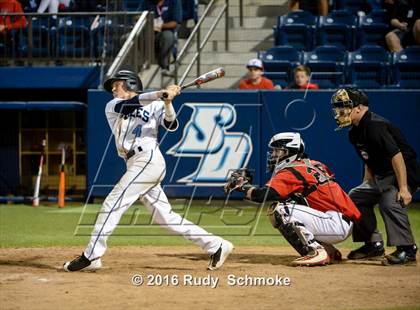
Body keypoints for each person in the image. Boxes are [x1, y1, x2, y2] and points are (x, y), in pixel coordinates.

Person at [63, 70, 233, 272]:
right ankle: (217, 245)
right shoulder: (113, 105)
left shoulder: (156, 104)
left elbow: (171, 125)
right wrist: (161, 93)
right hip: (135, 162)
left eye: (117, 84)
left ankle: (91, 256)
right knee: (165, 217)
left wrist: (168, 102)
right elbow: (131, 105)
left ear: (130, 84)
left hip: (148, 159)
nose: (113, 88)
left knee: (113, 203)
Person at [224, 132, 361, 266]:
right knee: (291, 203)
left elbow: (262, 196)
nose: (273, 155)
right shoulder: (313, 164)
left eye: (278, 151)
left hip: (334, 223)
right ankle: (329, 251)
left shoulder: (292, 170)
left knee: (279, 210)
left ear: (289, 153)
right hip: (340, 221)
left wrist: (242, 186)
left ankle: (315, 251)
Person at [331, 88, 419, 265]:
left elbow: (397, 155)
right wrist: (367, 184)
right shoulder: (354, 131)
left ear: (359, 107)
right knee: (356, 197)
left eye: (343, 106)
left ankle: (407, 249)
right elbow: (368, 159)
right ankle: (373, 244)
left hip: (403, 173)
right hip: (382, 175)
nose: (339, 111)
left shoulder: (374, 125)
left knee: (389, 200)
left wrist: (403, 188)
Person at [140, 0, 182, 76]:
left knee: (168, 36)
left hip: (164, 32)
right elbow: (137, 16)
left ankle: (164, 66)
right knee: (127, 38)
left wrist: (160, 25)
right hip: (148, 32)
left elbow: (176, 22)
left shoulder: (174, 2)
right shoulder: (146, 1)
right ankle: (141, 64)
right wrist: (148, 21)